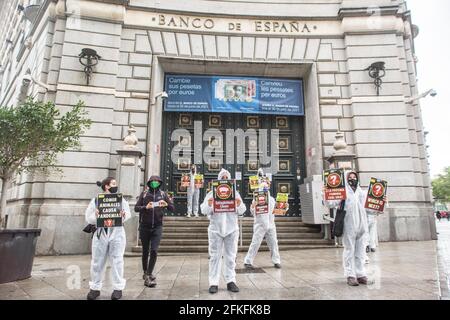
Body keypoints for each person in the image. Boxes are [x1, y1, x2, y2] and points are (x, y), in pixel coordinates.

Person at [200, 168, 246, 294]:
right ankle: (213, 282)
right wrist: (209, 204)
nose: (225, 179)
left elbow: (242, 210)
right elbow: (203, 210)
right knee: (215, 257)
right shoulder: (211, 194)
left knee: (231, 257)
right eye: (223, 177)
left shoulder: (235, 193)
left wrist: (239, 204)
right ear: (219, 179)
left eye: (227, 177)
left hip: (232, 229)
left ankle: (230, 281)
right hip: (215, 230)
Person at [85, 177, 131, 300]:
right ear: (106, 186)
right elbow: (88, 217)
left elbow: (128, 214)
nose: (116, 186)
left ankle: (118, 288)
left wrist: (123, 215)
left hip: (117, 232)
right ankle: (95, 288)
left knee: (117, 260)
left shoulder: (121, 200)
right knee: (97, 261)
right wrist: (95, 216)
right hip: (101, 232)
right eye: (113, 184)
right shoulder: (96, 201)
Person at [324, 171, 369, 287]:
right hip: (349, 225)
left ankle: (360, 273)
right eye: (350, 177)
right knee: (349, 249)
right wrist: (326, 193)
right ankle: (350, 275)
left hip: (362, 226)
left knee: (360, 250)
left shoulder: (362, 193)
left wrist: (382, 204)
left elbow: (370, 208)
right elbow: (330, 203)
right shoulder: (342, 192)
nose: (353, 179)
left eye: (355, 177)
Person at [135, 176, 175, 287]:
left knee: (154, 250)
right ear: (149, 183)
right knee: (145, 251)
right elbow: (136, 208)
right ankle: (145, 272)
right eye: (153, 181)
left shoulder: (163, 194)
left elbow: (172, 208)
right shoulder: (144, 194)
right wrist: (145, 207)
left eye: (157, 181)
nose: (154, 183)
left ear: (160, 183)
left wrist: (166, 204)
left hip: (157, 226)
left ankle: (148, 274)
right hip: (144, 226)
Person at [244, 169, 282, 269]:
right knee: (255, 243)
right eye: (263, 188)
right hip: (260, 224)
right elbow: (252, 211)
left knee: (274, 243)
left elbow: (276, 210)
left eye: (266, 188)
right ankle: (248, 261)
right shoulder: (256, 199)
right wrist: (253, 206)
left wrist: (283, 207)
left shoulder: (272, 200)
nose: (265, 189)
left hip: (271, 224)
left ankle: (276, 261)